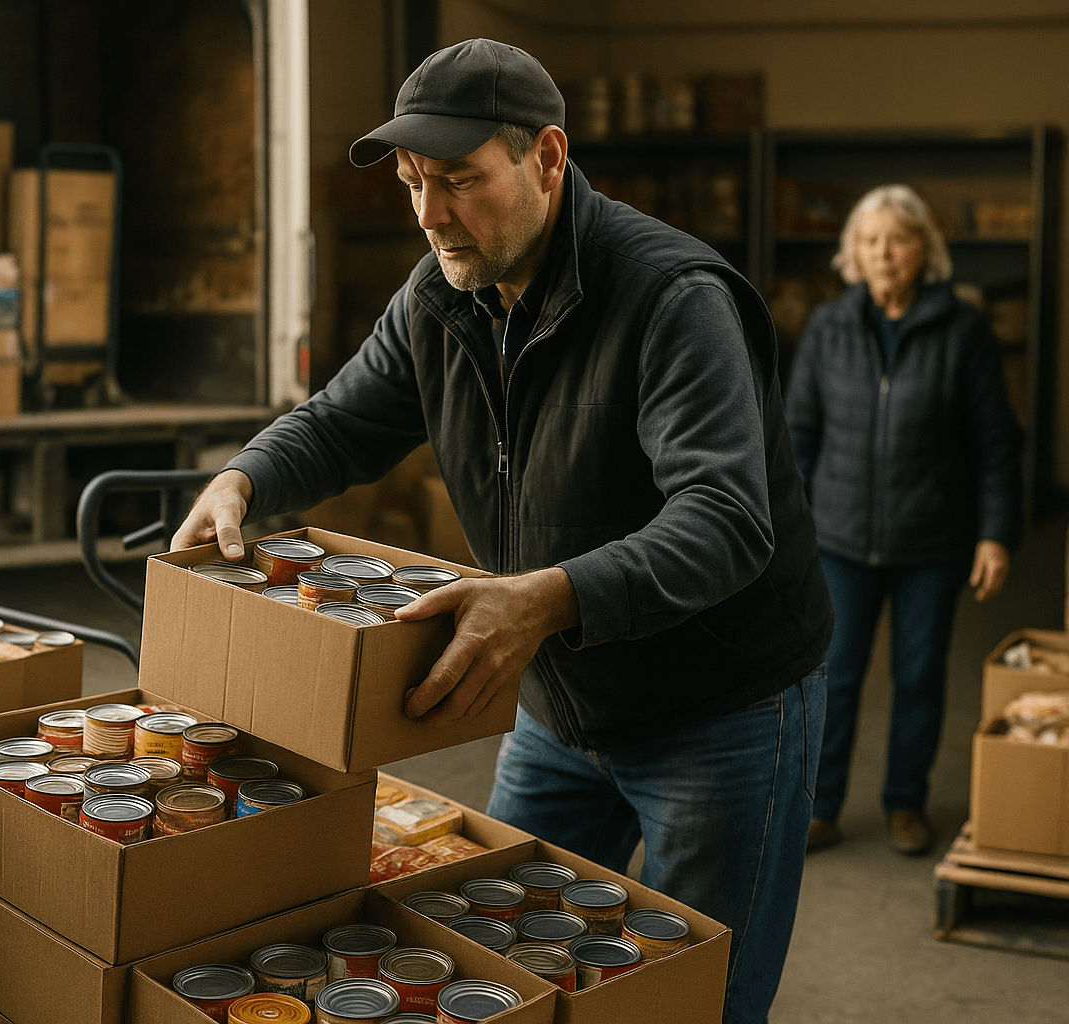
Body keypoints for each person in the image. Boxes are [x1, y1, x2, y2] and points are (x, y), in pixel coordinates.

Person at [172, 39, 832, 1024]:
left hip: (716, 708)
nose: (431, 214)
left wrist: (545, 598)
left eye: (458, 181)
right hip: (558, 702)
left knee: (691, 999)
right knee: (482, 973)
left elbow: (727, 519)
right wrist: (242, 477)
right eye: (412, 183)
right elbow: (342, 419)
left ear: (548, 158)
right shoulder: (441, 294)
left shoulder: (671, 299)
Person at [785, 184, 1023, 856]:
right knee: (836, 673)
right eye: (870, 241)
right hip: (839, 537)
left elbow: (997, 443)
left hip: (933, 540)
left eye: (899, 239)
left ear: (926, 249)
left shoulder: (965, 331)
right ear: (852, 254)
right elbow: (797, 435)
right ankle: (821, 806)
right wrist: (792, 528)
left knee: (920, 675)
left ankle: (905, 803)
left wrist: (996, 534)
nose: (884, 253)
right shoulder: (831, 327)